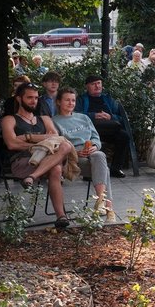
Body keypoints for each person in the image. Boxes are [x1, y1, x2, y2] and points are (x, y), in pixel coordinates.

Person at [0, 83, 75, 229]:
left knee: (64, 147)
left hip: (46, 160)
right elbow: (12, 144)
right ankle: (61, 215)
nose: (34, 101)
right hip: (23, 162)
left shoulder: (45, 119)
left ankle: (33, 178)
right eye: (29, 98)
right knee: (56, 168)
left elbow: (56, 139)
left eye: (35, 97)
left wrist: (27, 137)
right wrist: (43, 140)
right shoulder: (9, 119)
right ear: (19, 99)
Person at [53, 87, 115, 219]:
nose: (71, 103)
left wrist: (94, 146)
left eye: (73, 100)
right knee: (105, 170)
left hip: (91, 152)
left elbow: (95, 137)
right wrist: (74, 152)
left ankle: (101, 202)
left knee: (99, 155)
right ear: (59, 102)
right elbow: (56, 145)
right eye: (67, 100)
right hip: (72, 158)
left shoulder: (84, 117)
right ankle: (108, 207)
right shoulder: (54, 121)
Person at [76, 75, 132, 178]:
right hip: (90, 131)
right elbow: (76, 115)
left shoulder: (108, 99)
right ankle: (89, 172)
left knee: (124, 136)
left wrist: (110, 116)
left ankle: (115, 169)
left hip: (109, 129)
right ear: (87, 87)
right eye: (93, 84)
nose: (97, 86)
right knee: (88, 139)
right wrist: (94, 116)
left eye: (99, 83)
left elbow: (120, 118)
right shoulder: (81, 99)